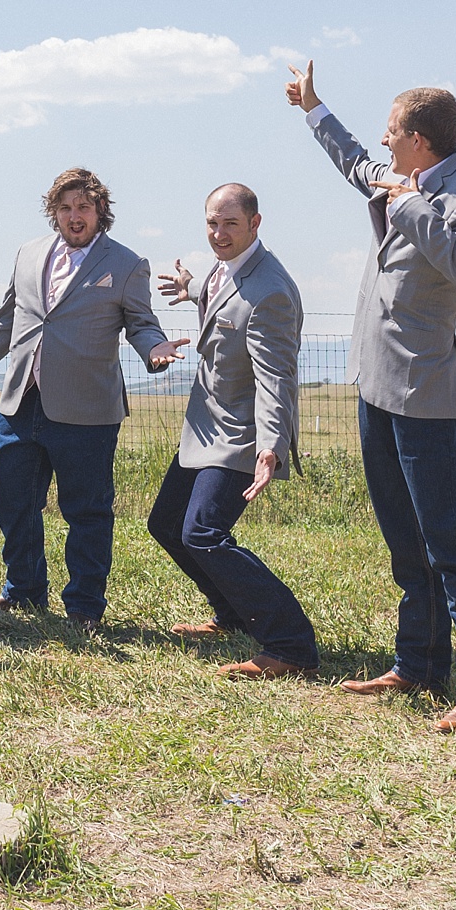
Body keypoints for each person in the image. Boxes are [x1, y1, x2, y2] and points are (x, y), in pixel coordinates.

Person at [284, 60, 456, 733]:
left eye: (391, 133)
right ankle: (417, 663)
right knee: (405, 541)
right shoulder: (397, 172)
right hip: (374, 383)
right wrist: (314, 109)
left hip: (426, 393)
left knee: (451, 543)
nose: (383, 144)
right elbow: (356, 164)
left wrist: (410, 206)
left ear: (420, 140)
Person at [0, 168, 185, 633]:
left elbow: (141, 323)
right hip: (22, 401)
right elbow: (8, 320)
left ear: (100, 211)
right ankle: (23, 591)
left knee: (86, 510)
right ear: (54, 212)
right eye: (65, 208)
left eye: (83, 208)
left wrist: (156, 349)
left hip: (87, 410)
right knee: (12, 497)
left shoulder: (126, 263)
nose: (74, 216)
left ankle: (84, 607)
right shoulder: (28, 254)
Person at [147, 184, 316, 679]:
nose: (219, 234)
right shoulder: (229, 269)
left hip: (242, 432)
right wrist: (191, 288)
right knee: (166, 524)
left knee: (203, 533)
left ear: (255, 224)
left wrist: (271, 446)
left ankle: (290, 645)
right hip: (204, 425)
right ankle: (232, 615)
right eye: (211, 224)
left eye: (230, 225)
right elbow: (222, 295)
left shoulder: (273, 293)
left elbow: (275, 377)